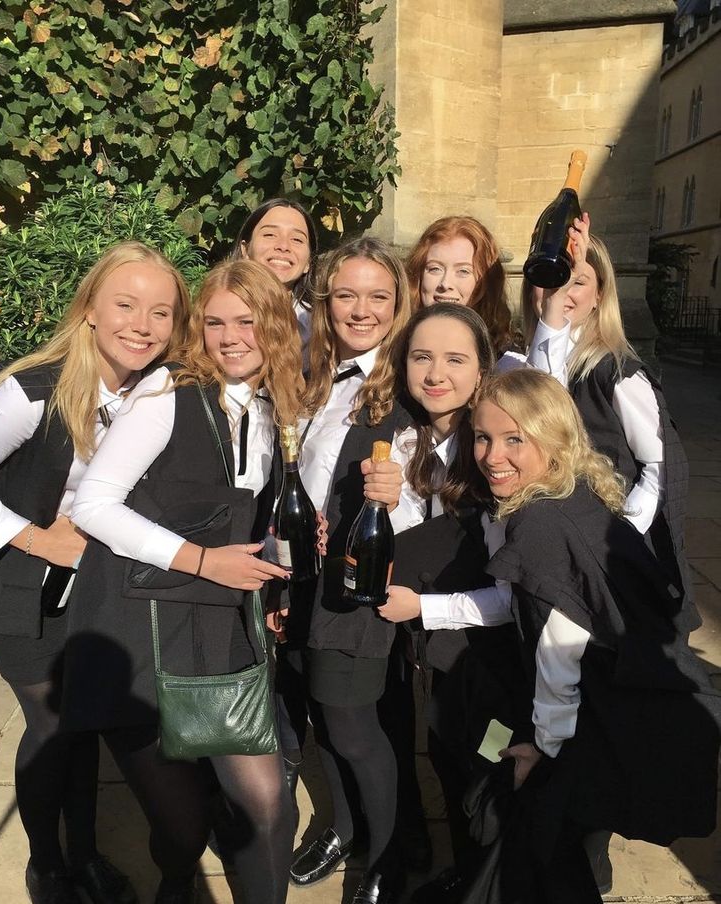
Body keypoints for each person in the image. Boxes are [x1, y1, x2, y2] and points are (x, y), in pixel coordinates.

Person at [64, 260, 304, 904]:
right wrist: (203, 559)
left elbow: (256, 514)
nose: (230, 336)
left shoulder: (276, 403)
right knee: (183, 827)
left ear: (276, 326)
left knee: (266, 801)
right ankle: (176, 883)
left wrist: (282, 563)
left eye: (247, 321)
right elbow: (94, 505)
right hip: (141, 631)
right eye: (216, 321)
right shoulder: (168, 393)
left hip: (220, 627)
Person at [462, 368, 718, 904]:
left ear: (554, 440)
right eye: (483, 437)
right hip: (619, 703)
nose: (492, 456)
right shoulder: (579, 495)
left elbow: (560, 650)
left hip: (587, 722)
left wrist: (543, 748)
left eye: (515, 440)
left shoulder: (539, 525)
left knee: (539, 842)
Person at [0, 241, 190, 904]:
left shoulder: (160, 393)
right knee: (53, 726)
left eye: (160, 312)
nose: (142, 323)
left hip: (93, 594)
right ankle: (48, 866)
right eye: (125, 305)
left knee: (83, 725)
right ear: (90, 312)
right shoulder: (32, 391)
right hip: (18, 591)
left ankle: (85, 856)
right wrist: (34, 537)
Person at [277, 237, 412, 904]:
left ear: (399, 304)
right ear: (324, 301)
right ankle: (345, 826)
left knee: (355, 728)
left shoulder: (411, 379)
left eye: (377, 296)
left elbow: (440, 487)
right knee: (321, 722)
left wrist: (400, 495)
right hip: (299, 577)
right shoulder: (313, 372)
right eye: (346, 295)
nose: (361, 310)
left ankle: (386, 860)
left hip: (356, 589)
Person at [378, 303, 526, 903]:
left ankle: (495, 881)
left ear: (482, 369)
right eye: (422, 357)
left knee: (488, 767)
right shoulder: (409, 439)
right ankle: (468, 873)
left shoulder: (497, 455)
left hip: (495, 671)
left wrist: (425, 610)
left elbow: (518, 598)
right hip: (442, 668)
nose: (436, 372)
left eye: (455, 358)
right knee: (446, 755)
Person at [521, 216, 694, 632]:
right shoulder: (527, 360)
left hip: (606, 547)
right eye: (551, 277)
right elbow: (544, 388)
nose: (561, 291)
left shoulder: (617, 372)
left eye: (576, 281)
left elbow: (661, 467)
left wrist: (619, 536)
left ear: (600, 295)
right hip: (552, 535)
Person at [405, 216, 516, 360]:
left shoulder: (507, 363)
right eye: (434, 269)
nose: (445, 284)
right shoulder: (392, 354)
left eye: (463, 271)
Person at [233, 198, 317, 355]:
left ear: (308, 262)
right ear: (245, 250)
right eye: (270, 234)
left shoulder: (320, 329)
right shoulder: (215, 313)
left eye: (297, 239)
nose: (283, 246)